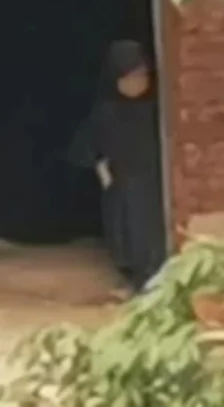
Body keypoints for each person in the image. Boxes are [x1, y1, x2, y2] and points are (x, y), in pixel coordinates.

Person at [70, 40, 167, 295]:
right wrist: (102, 169)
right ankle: (136, 278)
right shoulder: (106, 111)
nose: (137, 82)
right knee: (129, 235)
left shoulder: (159, 109)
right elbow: (87, 148)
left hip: (156, 182)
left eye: (142, 75)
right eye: (129, 77)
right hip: (124, 186)